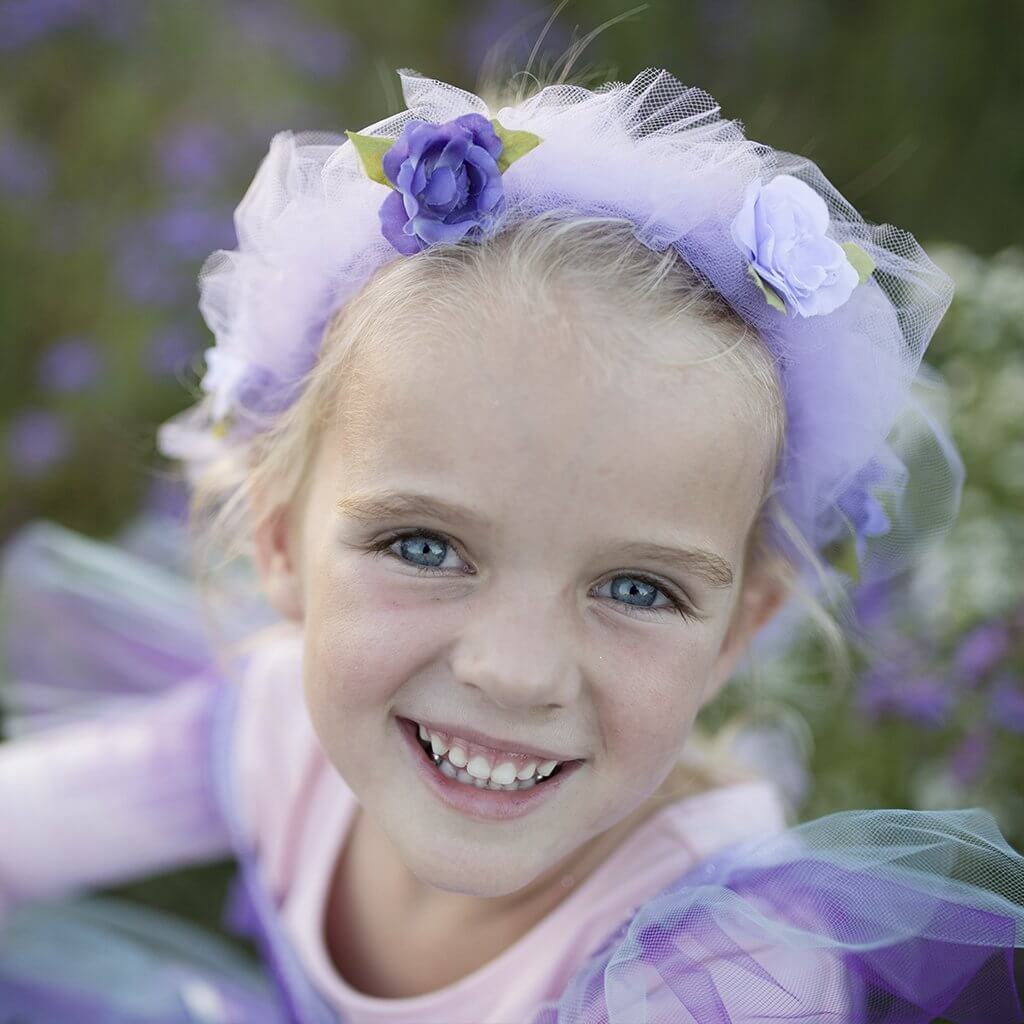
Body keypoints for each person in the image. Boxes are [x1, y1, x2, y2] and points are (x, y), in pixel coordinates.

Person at [1, 66, 1022, 1023]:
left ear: (736, 632)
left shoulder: (715, 970)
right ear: (276, 537)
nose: (514, 670)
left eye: (635, 586)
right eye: (426, 547)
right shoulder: (280, 730)